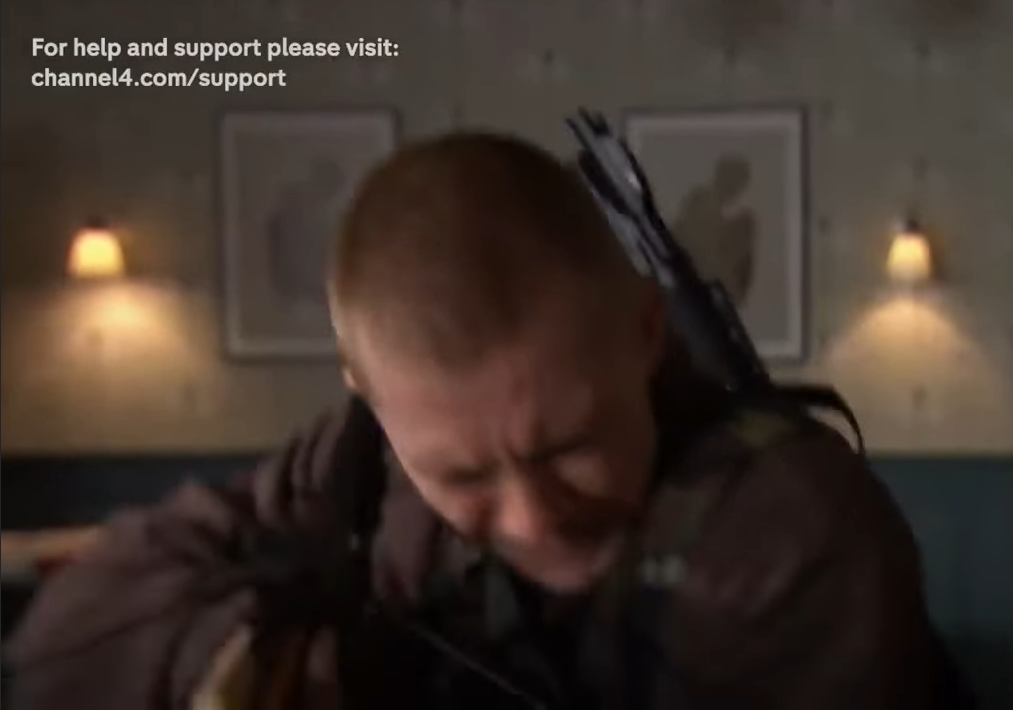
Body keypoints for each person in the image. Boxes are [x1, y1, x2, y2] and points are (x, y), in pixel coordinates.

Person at [4, 132, 968, 709]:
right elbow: (85, 624)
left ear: (644, 332)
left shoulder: (790, 527)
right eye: (462, 477)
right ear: (369, 396)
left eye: (569, 447)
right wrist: (255, 658)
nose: (533, 518)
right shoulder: (359, 464)